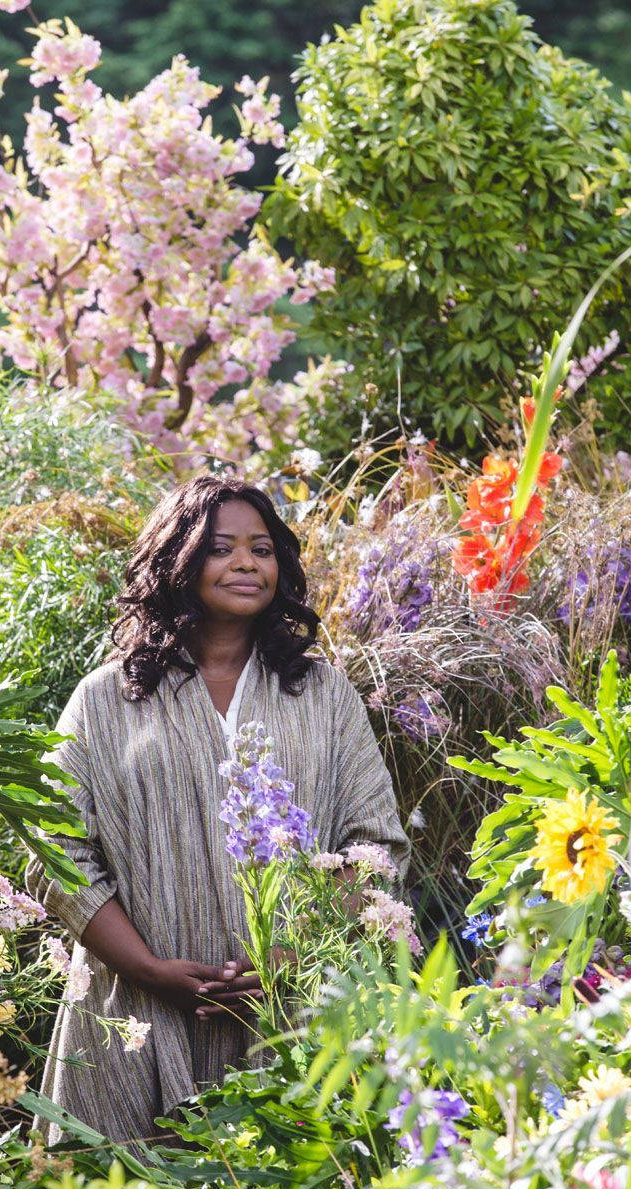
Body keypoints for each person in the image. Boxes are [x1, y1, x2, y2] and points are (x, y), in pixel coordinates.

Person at [25, 473, 409, 1151]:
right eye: (221, 547)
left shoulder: (320, 695)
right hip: (138, 1014)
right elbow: (54, 855)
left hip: (295, 1011)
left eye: (262, 550)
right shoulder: (107, 700)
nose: (246, 563)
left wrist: (286, 960)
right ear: (177, 561)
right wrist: (147, 968)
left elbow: (375, 844)